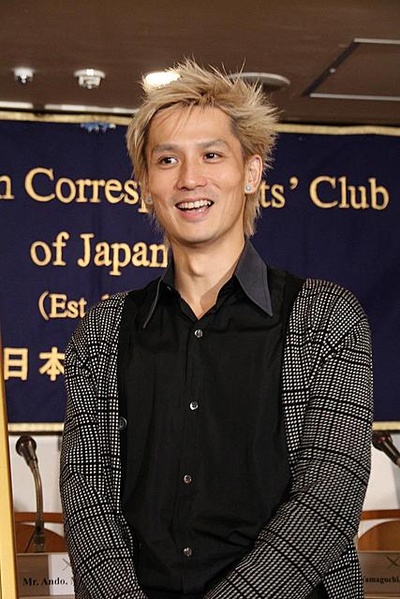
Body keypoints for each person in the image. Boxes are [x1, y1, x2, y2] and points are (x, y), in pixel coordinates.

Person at [60, 59, 373, 599]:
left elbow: (330, 495)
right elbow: (88, 496)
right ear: (145, 185)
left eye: (211, 154)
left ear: (251, 173)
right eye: (167, 159)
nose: (189, 179)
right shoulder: (104, 331)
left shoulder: (326, 316)